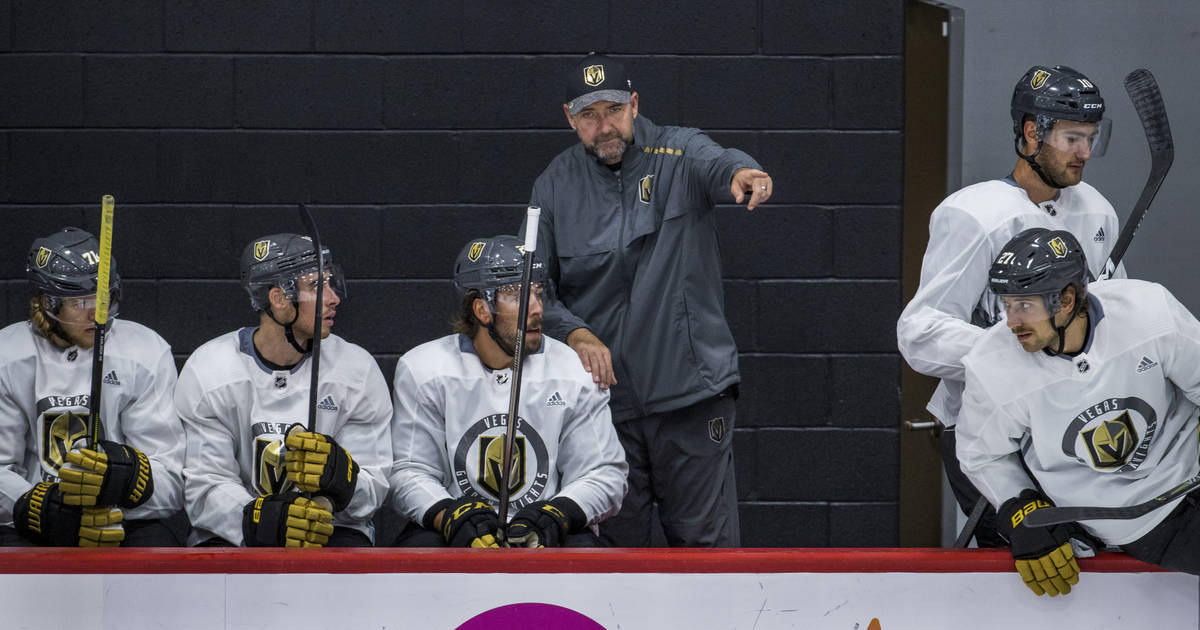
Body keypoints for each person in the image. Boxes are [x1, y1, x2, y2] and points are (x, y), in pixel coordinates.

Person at [525, 53, 772, 547]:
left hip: (691, 395)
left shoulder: (680, 153)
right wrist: (575, 332)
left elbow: (719, 161)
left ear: (634, 104)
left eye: (613, 109)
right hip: (603, 407)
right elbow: (534, 288)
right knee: (615, 560)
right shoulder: (552, 185)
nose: (604, 126)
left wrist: (744, 173)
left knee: (706, 555)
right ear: (569, 118)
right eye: (589, 115)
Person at [896, 65, 1125, 546]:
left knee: (1097, 562)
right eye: (1072, 137)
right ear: (1030, 132)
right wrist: (1020, 351)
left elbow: (1116, 316)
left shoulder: (1098, 209)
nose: (1085, 153)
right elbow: (920, 331)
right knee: (1032, 560)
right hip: (989, 430)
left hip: (1070, 424)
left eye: (1092, 138)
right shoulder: (975, 215)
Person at [957, 228, 1200, 596]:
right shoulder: (992, 366)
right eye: (1006, 305)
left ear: (1066, 299)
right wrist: (1021, 510)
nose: (1011, 322)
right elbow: (980, 455)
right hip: (1141, 518)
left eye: (1024, 305)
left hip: (1192, 471)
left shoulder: (1149, 312)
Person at [388, 235, 627, 548]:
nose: (538, 308)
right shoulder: (424, 369)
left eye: (538, 294)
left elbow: (604, 473)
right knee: (417, 551)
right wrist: (449, 515)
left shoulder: (572, 370)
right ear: (482, 309)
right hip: (458, 530)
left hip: (547, 530)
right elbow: (410, 470)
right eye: (518, 296)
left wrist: (557, 513)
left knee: (588, 555)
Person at [176, 234, 392, 547]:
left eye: (331, 284)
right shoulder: (210, 368)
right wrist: (263, 520)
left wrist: (340, 487)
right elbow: (206, 485)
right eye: (318, 286)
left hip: (330, 530)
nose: (334, 298)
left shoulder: (357, 368)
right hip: (240, 534)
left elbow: (374, 484)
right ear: (278, 298)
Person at [0, 227, 187, 547]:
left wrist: (128, 479)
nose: (96, 313)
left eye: (102, 299)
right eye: (80, 302)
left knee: (160, 545)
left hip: (125, 520)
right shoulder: (7, 355)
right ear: (48, 303)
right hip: (35, 521)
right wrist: (42, 508)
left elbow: (171, 474)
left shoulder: (145, 351)